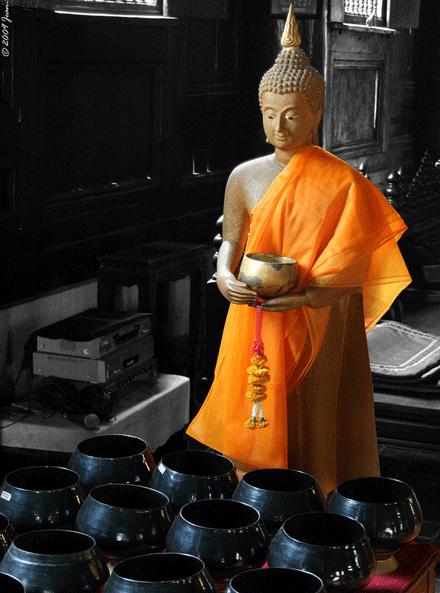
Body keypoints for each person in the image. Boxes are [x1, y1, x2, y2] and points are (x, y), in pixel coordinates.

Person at [187, 5, 411, 497]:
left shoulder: (343, 182)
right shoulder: (244, 177)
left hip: (317, 316)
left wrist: (308, 296)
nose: (281, 127)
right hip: (255, 312)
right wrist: (225, 274)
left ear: (316, 114)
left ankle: (316, 499)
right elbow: (232, 241)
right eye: (270, 115)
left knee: (313, 413)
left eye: (292, 115)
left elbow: (355, 261)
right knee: (255, 405)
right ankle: (254, 500)